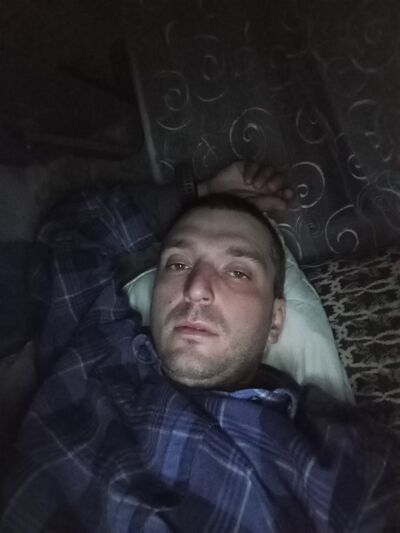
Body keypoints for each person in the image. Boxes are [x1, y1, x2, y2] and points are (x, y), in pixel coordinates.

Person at [0, 162, 398, 532]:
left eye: (237, 271)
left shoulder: (342, 455)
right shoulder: (96, 348)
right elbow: (75, 228)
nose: (195, 288)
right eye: (177, 264)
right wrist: (195, 192)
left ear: (276, 320)